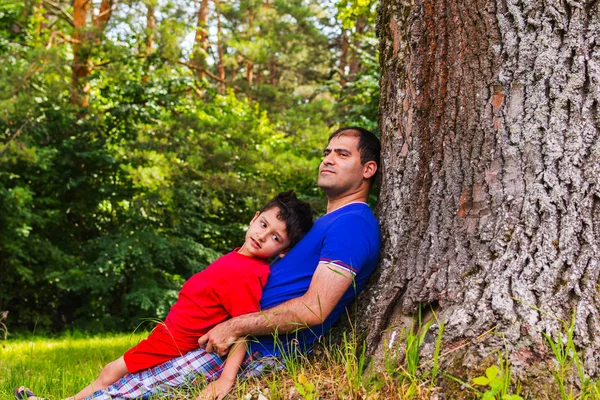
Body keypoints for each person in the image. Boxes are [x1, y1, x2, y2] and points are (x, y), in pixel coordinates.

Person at [17, 126, 381, 400]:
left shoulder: (353, 224)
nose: (328, 159)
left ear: (368, 169)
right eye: (327, 151)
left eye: (343, 154)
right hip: (225, 336)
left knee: (131, 392)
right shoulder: (327, 222)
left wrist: (234, 327)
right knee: (125, 383)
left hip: (255, 349)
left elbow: (314, 309)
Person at [14, 191, 313, 400]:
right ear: (254, 217)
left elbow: (242, 328)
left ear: (283, 250)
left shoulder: (250, 273)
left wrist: (226, 379)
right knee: (112, 374)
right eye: (263, 224)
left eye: (275, 237)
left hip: (177, 344)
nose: (262, 235)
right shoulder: (237, 257)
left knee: (114, 374)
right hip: (168, 334)